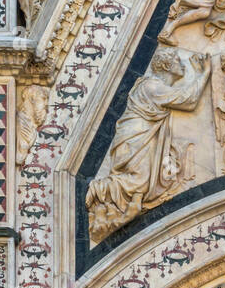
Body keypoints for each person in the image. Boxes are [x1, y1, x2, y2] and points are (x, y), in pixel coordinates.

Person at [86, 47, 209, 240]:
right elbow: (189, 99)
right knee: (136, 179)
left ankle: (120, 206)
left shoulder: (153, 87)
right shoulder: (152, 86)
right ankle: (98, 196)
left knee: (139, 180)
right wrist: (204, 73)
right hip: (136, 138)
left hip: (139, 136)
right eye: (177, 60)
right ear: (167, 65)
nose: (182, 64)